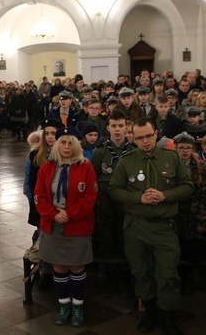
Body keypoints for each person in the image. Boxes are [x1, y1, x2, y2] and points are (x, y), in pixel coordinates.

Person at [110, 117, 194, 335]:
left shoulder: (171, 157)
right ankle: (150, 313)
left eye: (148, 136)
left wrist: (165, 195)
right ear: (133, 138)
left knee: (167, 275)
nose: (145, 141)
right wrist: (139, 198)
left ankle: (168, 318)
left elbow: (187, 187)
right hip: (136, 227)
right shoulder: (126, 161)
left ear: (156, 133)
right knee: (141, 272)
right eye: (139, 138)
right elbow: (114, 190)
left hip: (164, 227)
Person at [34, 127, 97, 327]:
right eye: (63, 142)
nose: (66, 147)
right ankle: (64, 305)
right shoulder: (47, 167)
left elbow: (90, 197)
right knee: (58, 266)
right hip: (53, 225)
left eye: (70, 143)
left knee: (77, 266)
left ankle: (78, 306)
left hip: (77, 223)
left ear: (76, 145)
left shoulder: (85, 166)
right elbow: (39, 197)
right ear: (57, 144)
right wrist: (54, 214)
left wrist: (70, 213)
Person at [90, 111, 131, 297]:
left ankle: (124, 274)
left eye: (121, 126)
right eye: (113, 126)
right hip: (105, 199)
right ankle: (108, 275)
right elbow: (95, 177)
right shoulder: (100, 151)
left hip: (126, 198)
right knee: (107, 236)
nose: (117, 130)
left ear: (126, 128)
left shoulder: (133, 150)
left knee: (125, 236)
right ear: (108, 128)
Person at [173, 132, 206, 295]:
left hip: (192, 210)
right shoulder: (170, 164)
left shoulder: (199, 166)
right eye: (181, 147)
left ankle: (188, 279)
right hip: (174, 211)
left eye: (188, 147)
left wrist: (203, 220)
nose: (185, 151)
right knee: (174, 247)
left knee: (190, 246)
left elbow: (205, 193)